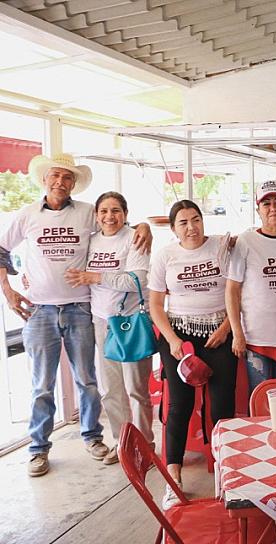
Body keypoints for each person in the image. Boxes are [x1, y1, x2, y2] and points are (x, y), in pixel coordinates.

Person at [0, 153, 150, 477]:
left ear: (73, 184)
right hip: (39, 311)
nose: (60, 182)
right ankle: (38, 448)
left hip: (83, 308)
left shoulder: (86, 213)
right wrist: (9, 291)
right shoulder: (27, 215)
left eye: (67, 178)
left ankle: (94, 438)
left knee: (88, 381)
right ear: (44, 179)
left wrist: (145, 227)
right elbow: (1, 249)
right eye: (55, 176)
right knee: (42, 384)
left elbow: (118, 225)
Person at [148, 200, 235, 509]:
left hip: (218, 335)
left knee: (222, 407)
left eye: (195, 219)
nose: (191, 227)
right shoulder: (165, 256)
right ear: (173, 229)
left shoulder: (223, 248)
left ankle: (227, 476)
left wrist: (227, 328)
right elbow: (156, 305)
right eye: (183, 222)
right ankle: (174, 479)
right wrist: (171, 341)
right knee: (179, 407)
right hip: (180, 339)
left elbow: (237, 293)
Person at [63, 192, 153, 466]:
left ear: (125, 214)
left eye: (115, 210)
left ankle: (146, 446)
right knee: (110, 390)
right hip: (101, 322)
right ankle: (123, 443)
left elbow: (137, 279)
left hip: (130, 322)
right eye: (103, 211)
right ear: (96, 215)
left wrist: (97, 277)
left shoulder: (135, 237)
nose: (109, 216)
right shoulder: (91, 240)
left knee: (136, 389)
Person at [226, 180, 276, 393]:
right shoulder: (246, 241)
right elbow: (232, 289)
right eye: (266, 203)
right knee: (260, 404)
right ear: (258, 210)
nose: (273, 208)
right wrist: (237, 332)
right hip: (256, 340)